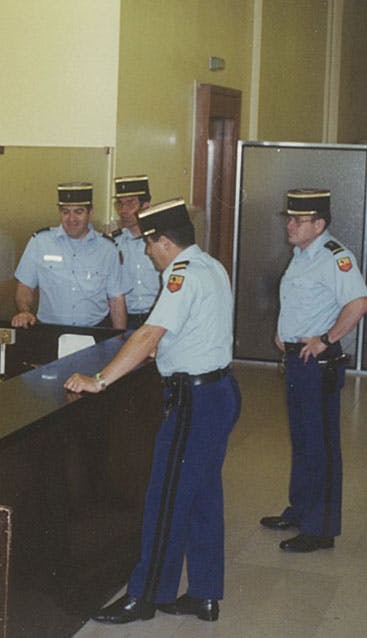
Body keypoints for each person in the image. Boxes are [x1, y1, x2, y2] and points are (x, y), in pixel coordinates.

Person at [65, 199, 240, 624]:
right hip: (221, 393)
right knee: (202, 496)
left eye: (149, 243)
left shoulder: (180, 276)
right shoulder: (212, 267)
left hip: (193, 403)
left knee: (164, 497)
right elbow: (191, 331)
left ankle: (144, 597)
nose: (146, 251)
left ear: (164, 241)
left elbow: (147, 335)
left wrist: (100, 379)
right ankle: (204, 594)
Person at [261, 189, 367, 553]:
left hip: (316, 363)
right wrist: (284, 332)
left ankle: (320, 528)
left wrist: (326, 338)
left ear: (319, 224)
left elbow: (359, 303)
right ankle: (300, 510)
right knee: (303, 440)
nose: (289, 225)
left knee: (320, 444)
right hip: (296, 359)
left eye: (298, 220)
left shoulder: (334, 257)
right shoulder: (302, 255)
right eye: (289, 218)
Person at [11, 182, 126, 329]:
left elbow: (116, 299)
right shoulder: (40, 242)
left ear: (90, 213)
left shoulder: (108, 249)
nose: (71, 219)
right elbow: (25, 287)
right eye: (66, 212)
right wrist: (24, 311)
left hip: (94, 331)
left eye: (78, 212)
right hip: (49, 332)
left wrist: (118, 339)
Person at [110, 175, 161, 328]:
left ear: (145, 205)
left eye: (130, 203)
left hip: (158, 317)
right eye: (120, 204)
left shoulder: (162, 242)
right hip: (126, 319)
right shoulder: (113, 244)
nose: (123, 210)